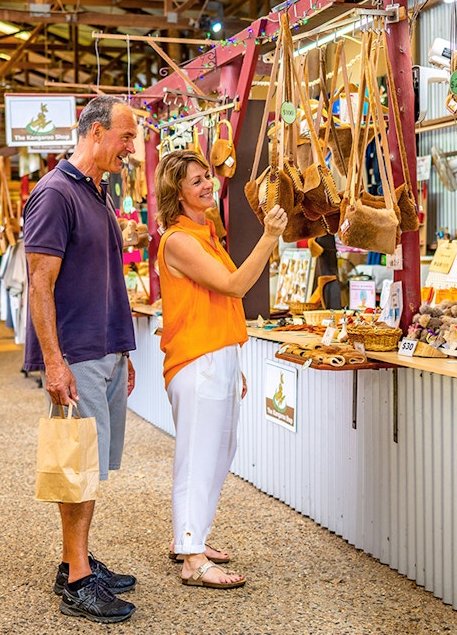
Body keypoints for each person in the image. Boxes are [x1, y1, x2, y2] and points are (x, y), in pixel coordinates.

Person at [23, 95, 139, 624]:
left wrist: (123, 349)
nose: (131, 148)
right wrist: (54, 361)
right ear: (95, 132)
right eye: (126, 137)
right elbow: (38, 284)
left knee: (91, 467)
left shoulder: (96, 192)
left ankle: (78, 558)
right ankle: (76, 580)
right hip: (77, 353)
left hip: (104, 349)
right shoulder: (54, 194)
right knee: (77, 469)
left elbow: (104, 276)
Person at [154, 149, 288, 589]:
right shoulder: (178, 240)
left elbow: (218, 301)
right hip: (198, 361)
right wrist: (269, 237)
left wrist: (232, 360)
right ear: (177, 193)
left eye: (206, 176)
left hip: (218, 357)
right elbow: (233, 286)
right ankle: (192, 556)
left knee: (219, 452)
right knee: (197, 457)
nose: (207, 184)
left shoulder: (205, 232)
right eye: (196, 181)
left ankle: (194, 537)